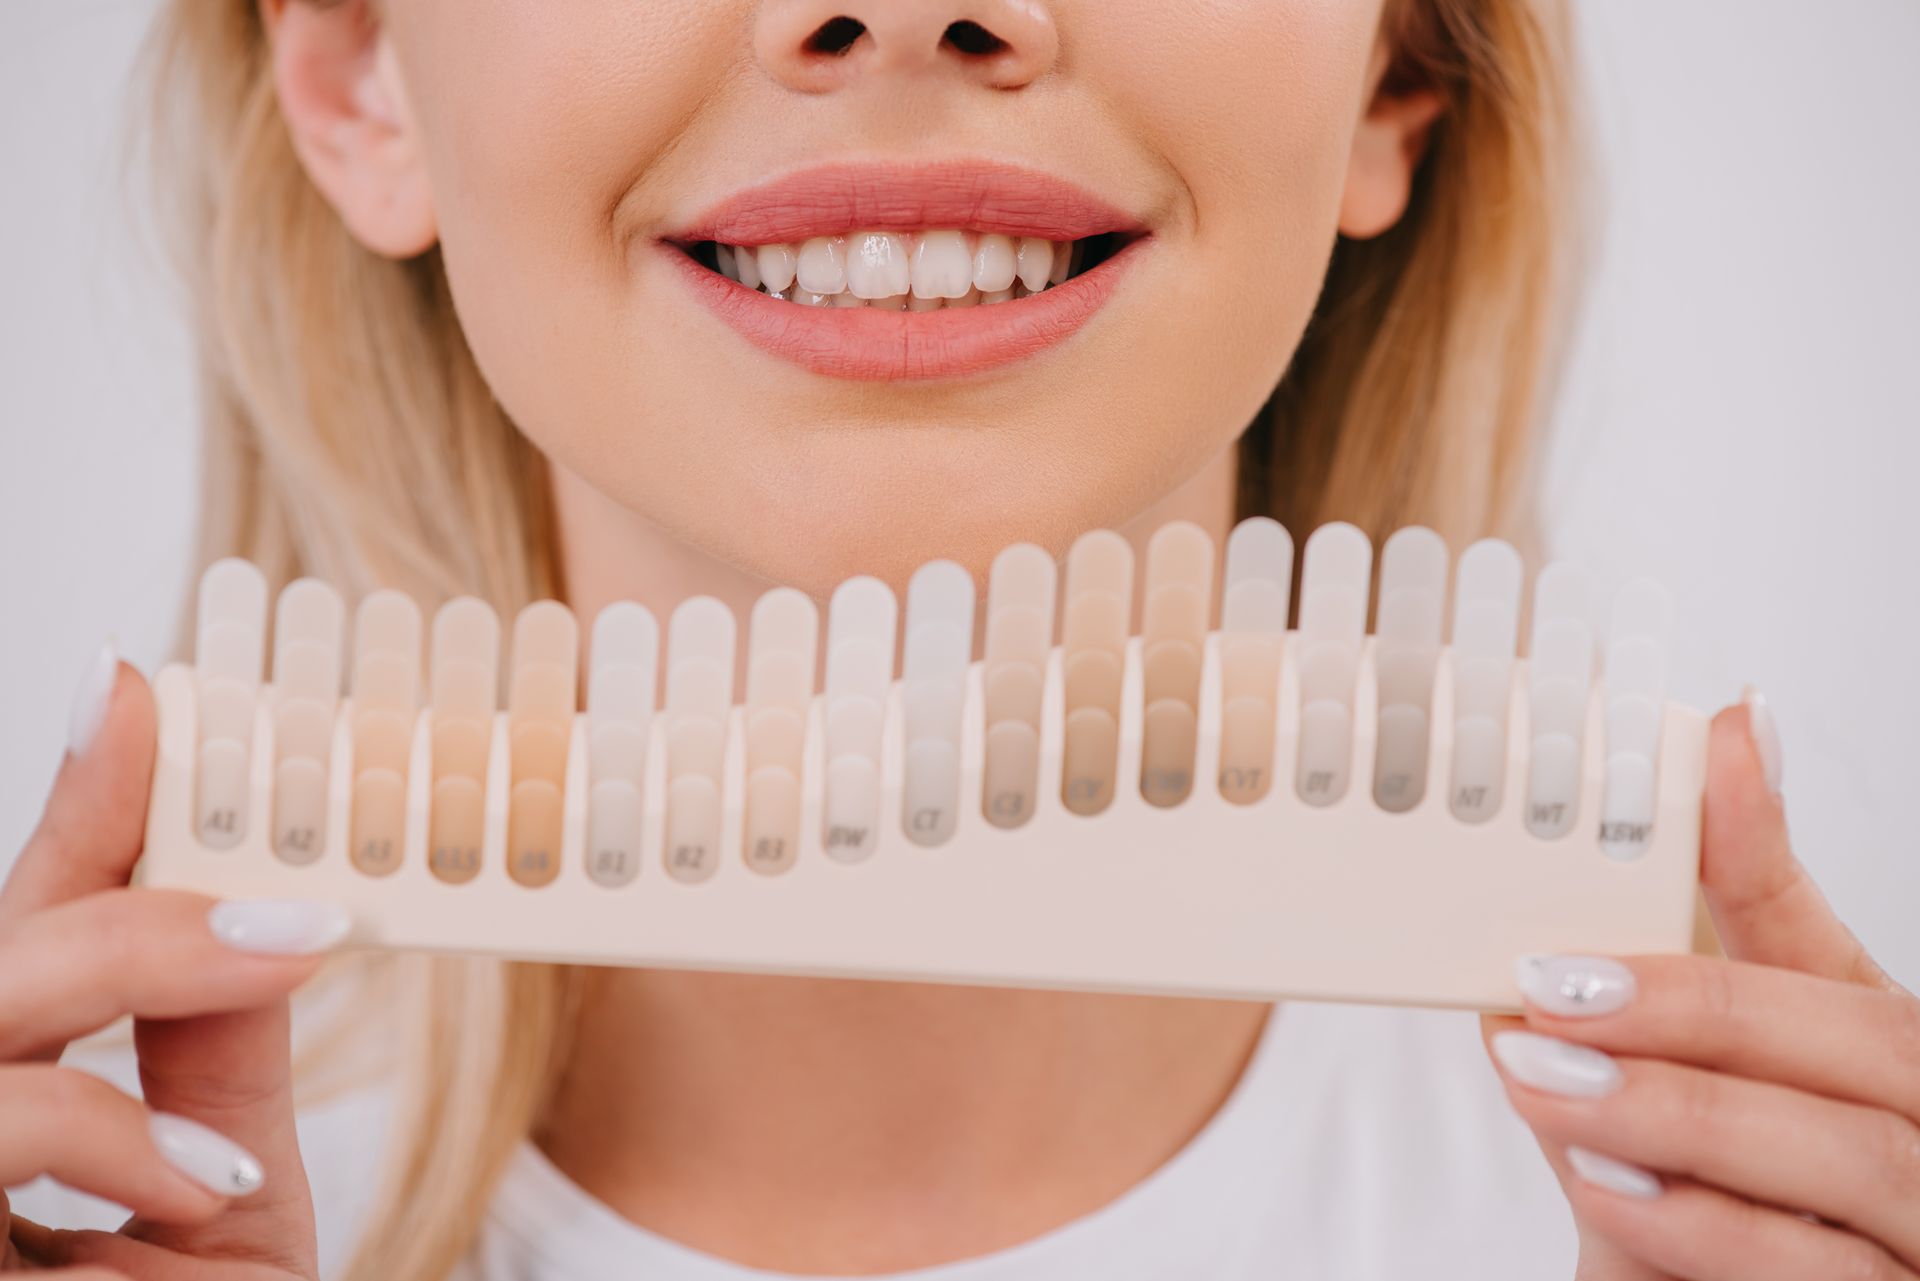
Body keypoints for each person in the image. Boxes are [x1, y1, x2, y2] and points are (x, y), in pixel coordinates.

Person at [6, 1, 1917, 1278]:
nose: (909, 6)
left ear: (1396, 72)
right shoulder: (80, 1187)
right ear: (360, 75)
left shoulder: (1758, 1176)